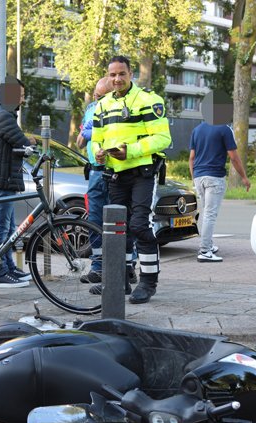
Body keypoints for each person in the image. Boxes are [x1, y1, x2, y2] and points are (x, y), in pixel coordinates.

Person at [91, 55, 172, 304]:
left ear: (130, 74)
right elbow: (96, 138)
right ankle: (122, 279)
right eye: (112, 75)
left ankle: (148, 282)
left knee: (138, 225)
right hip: (116, 174)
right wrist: (99, 153)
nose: (116, 79)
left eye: (121, 74)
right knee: (119, 230)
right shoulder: (102, 105)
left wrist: (132, 150)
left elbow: (163, 139)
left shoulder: (149, 100)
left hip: (143, 173)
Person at [0, 77, 36, 288]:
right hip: (1, 179)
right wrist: (31, 141)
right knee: (1, 227)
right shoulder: (1, 115)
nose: (22, 101)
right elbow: (21, 142)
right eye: (20, 96)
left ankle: (8, 265)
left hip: (5, 178)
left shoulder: (2, 112)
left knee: (7, 227)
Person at [189, 90, 251, 263]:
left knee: (206, 213)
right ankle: (205, 251)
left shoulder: (197, 129)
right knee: (210, 214)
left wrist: (194, 178)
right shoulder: (225, 129)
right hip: (214, 178)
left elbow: (192, 158)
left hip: (199, 177)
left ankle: (208, 244)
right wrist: (244, 177)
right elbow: (234, 156)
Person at [76, 77, 113, 284]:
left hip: (114, 170)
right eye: (95, 96)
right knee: (95, 221)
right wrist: (88, 131)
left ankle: (127, 265)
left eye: (101, 96)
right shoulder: (91, 108)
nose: (97, 100)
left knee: (118, 221)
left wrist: (96, 130)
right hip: (96, 172)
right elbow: (80, 141)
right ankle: (98, 266)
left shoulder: (117, 107)